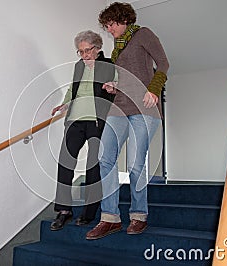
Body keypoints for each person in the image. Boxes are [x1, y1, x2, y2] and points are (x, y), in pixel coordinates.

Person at [86, 2, 169, 240]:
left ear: (122, 20)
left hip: (144, 108)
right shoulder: (116, 49)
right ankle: (110, 218)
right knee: (106, 158)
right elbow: (125, 78)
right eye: (107, 26)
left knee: (135, 163)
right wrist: (113, 85)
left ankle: (139, 215)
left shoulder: (144, 34)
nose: (109, 30)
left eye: (110, 25)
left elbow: (163, 64)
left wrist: (153, 89)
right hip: (119, 107)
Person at [50, 30, 116, 231]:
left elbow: (118, 86)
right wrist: (64, 104)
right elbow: (73, 88)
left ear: (97, 48)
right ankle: (64, 210)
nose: (85, 55)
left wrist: (113, 87)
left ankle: (89, 212)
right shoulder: (79, 66)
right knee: (65, 163)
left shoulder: (109, 65)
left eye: (88, 50)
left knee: (92, 167)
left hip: (97, 121)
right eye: (81, 52)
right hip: (75, 121)